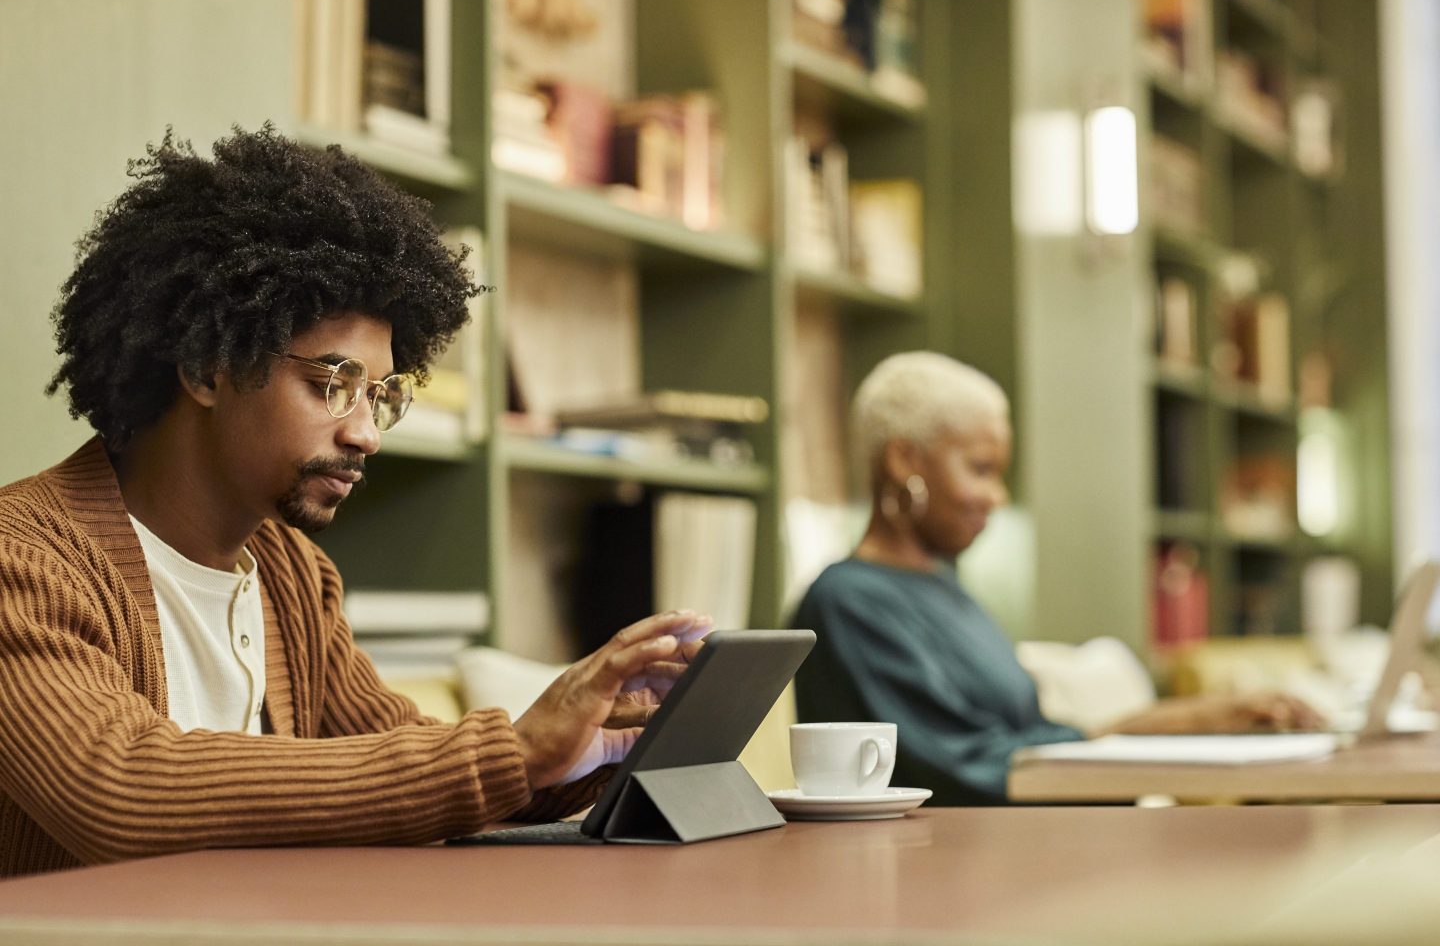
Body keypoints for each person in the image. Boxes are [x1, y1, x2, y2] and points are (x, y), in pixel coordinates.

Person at [0, 125, 710, 877]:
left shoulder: (294, 577)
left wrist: (605, 735)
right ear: (208, 368)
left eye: (380, 397)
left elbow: (406, 770)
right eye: (331, 385)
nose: (366, 434)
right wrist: (514, 750)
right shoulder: (24, 560)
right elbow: (120, 787)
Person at [791, 351, 1323, 805]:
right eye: (980, 469)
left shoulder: (942, 587)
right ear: (904, 459)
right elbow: (969, 768)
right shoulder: (848, 601)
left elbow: (1031, 739)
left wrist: (1196, 720)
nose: (997, 497)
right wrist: (1186, 724)